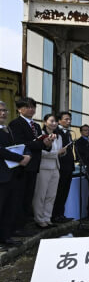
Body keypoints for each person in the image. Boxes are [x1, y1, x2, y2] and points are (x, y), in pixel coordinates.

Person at [8, 97, 53, 222]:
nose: (31, 109)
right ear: (19, 109)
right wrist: (42, 144)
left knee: (29, 196)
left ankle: (24, 223)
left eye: (33, 107)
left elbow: (42, 145)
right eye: (27, 107)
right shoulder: (15, 124)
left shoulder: (37, 126)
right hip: (22, 165)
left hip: (34, 165)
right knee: (20, 196)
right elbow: (20, 144)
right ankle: (17, 225)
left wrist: (48, 144)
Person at [0, 100, 31, 247]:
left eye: (4, 110)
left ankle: (6, 237)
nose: (3, 113)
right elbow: (1, 150)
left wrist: (27, 155)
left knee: (9, 207)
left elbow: (17, 145)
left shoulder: (7, 129)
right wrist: (20, 159)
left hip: (11, 173)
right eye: (0, 110)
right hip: (2, 175)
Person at [32, 114, 65, 228]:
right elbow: (41, 153)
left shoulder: (59, 136)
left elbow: (58, 152)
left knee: (51, 195)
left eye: (56, 121)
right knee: (40, 194)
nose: (54, 123)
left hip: (55, 167)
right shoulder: (41, 135)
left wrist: (62, 152)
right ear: (45, 122)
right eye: (51, 121)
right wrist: (57, 153)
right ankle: (39, 219)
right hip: (43, 167)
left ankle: (47, 218)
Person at [51, 112, 75, 223]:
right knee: (58, 191)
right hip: (60, 166)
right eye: (66, 119)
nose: (69, 121)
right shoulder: (56, 132)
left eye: (70, 119)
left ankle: (61, 214)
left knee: (65, 191)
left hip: (69, 166)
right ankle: (54, 215)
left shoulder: (69, 132)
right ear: (59, 120)